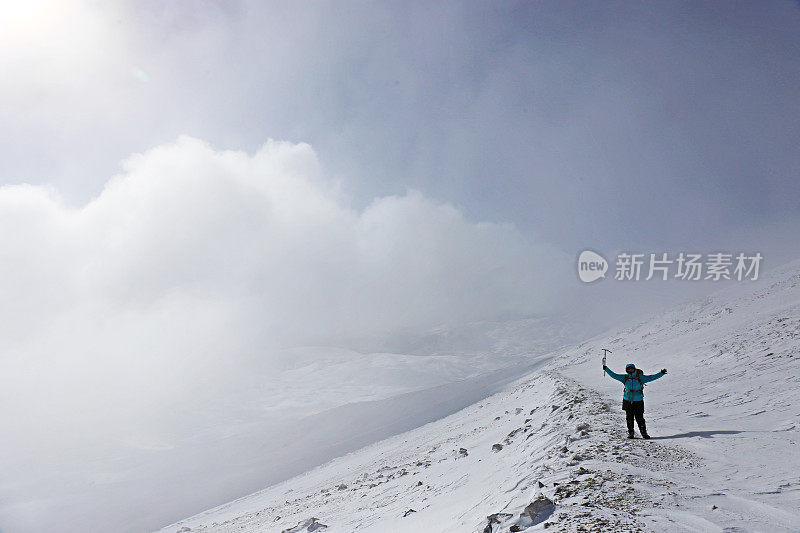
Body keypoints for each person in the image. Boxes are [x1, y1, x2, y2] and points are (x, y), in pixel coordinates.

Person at [603, 362, 667, 439]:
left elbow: (651, 377)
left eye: (631, 369)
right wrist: (606, 369)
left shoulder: (640, 377)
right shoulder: (625, 377)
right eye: (628, 369)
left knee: (639, 418)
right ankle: (631, 433)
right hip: (627, 401)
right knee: (629, 417)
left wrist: (661, 373)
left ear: (634, 369)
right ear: (626, 370)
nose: (630, 370)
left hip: (638, 401)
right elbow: (614, 375)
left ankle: (644, 433)